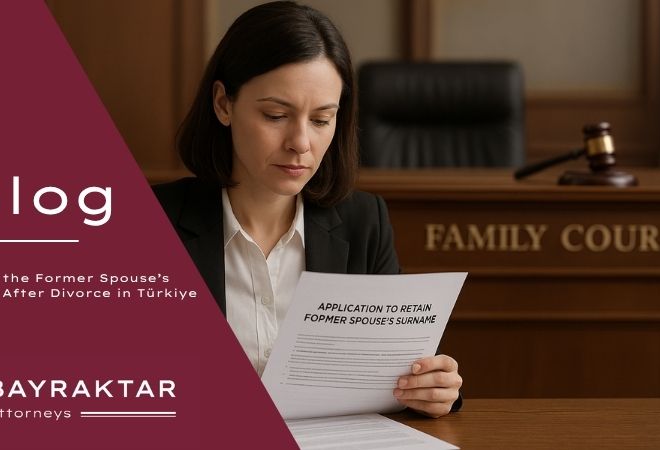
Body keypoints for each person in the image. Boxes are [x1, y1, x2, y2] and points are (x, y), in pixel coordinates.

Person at [154, 1, 461, 418]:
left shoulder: (363, 223)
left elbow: (400, 375)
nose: (301, 142)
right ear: (224, 104)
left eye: (321, 120)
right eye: (276, 115)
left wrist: (434, 390)